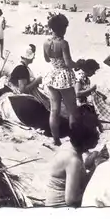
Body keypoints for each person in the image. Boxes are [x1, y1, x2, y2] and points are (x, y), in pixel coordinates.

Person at [43, 13, 80, 146]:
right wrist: (79, 64)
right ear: (62, 28)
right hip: (64, 76)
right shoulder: (63, 43)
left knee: (54, 110)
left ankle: (56, 139)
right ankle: (73, 139)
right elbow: (68, 63)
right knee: (72, 110)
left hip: (52, 75)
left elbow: (47, 59)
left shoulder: (46, 42)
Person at [45, 124, 100, 207]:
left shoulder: (67, 146)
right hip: (60, 208)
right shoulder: (73, 161)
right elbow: (71, 200)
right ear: (85, 143)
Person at [7, 44, 49, 111]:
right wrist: (36, 81)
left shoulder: (21, 66)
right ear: (28, 57)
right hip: (17, 98)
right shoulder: (22, 68)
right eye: (33, 56)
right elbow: (22, 90)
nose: (34, 57)